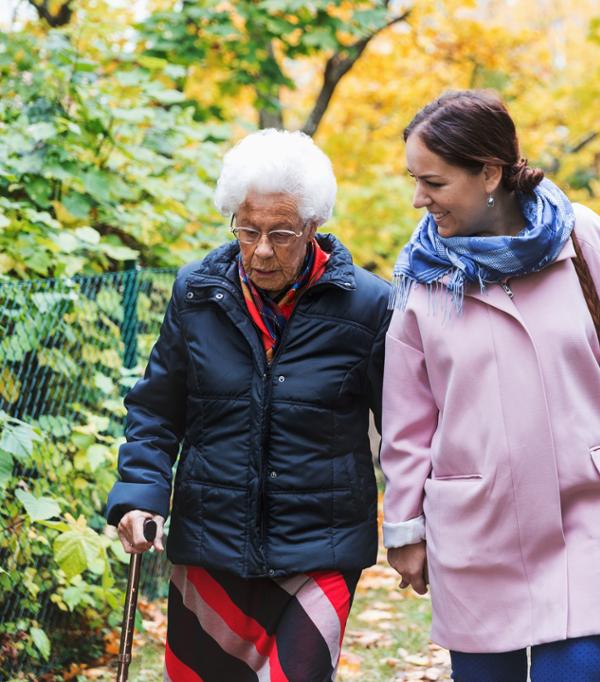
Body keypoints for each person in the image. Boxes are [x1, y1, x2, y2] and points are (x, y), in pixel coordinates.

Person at [379, 89, 600, 682]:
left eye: (434, 182)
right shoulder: (422, 277)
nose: (418, 199)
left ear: (491, 173)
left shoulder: (583, 241)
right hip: (474, 524)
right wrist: (405, 526)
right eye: (414, 180)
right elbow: (408, 420)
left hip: (586, 513)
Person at [105, 129, 391, 680]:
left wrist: (412, 525)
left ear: (313, 227)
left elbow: (403, 429)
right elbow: (157, 409)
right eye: (247, 229)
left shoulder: (368, 305)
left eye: (281, 233)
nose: (261, 249)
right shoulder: (197, 294)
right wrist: (141, 495)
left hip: (320, 546)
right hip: (213, 543)